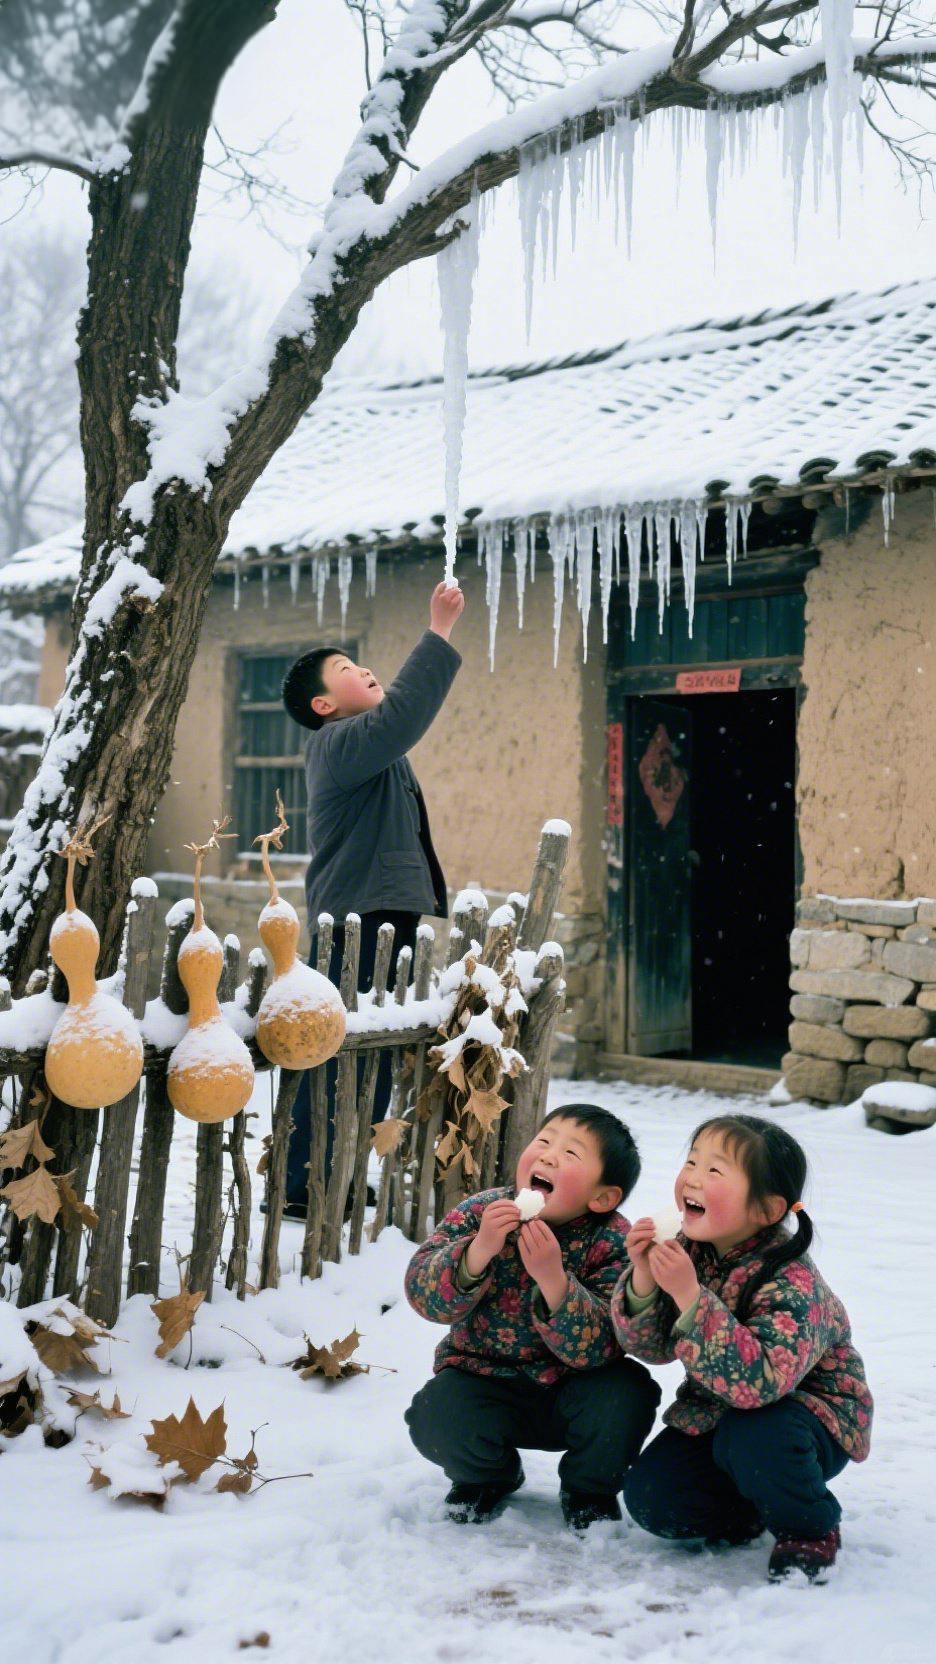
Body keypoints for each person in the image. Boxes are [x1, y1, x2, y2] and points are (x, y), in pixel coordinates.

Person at [613, 1114, 873, 1583]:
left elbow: (761, 1385)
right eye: (692, 1161)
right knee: (656, 1499)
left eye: (715, 1171)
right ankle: (753, 1506)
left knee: (757, 1435)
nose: (692, 1177)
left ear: (768, 1209)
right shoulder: (689, 1247)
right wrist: (643, 1278)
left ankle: (809, 1528)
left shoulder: (792, 1282)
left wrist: (692, 1298)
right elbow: (649, 1348)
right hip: (720, 1413)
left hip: (808, 1420)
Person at [280, 580, 465, 1214]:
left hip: (384, 911)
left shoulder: (365, 749)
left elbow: (396, 726)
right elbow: (402, 718)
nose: (363, 669)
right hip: (357, 915)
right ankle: (303, 1183)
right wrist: (437, 632)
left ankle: (340, 1172)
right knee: (336, 1048)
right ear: (323, 705)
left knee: (374, 1047)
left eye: (357, 662)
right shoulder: (338, 746)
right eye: (344, 671)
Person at [404, 1104, 661, 1529]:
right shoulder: (481, 1212)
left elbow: (603, 1345)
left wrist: (554, 1280)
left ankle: (588, 1489)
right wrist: (478, 1251)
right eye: (544, 1141)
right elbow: (423, 1296)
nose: (548, 1156)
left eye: (571, 1153)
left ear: (602, 1197)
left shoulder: (611, 1238)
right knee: (438, 1414)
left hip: (574, 1388)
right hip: (483, 1378)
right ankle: (487, 1477)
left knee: (626, 1395)